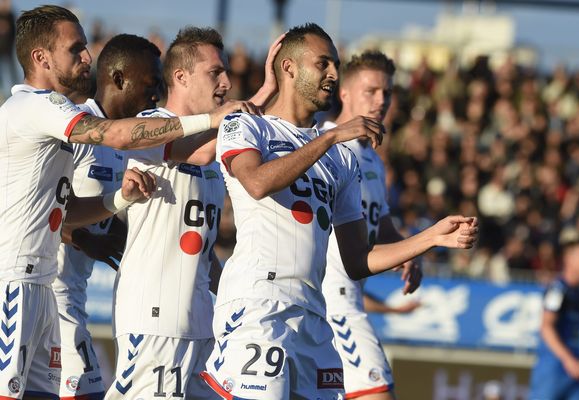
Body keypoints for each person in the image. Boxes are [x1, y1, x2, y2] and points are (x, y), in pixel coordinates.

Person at [200, 23, 477, 399]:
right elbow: (257, 183)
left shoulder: (343, 159)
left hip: (315, 316)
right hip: (259, 306)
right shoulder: (247, 125)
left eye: (336, 64)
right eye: (323, 63)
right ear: (289, 69)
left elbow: (358, 259)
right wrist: (329, 136)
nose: (332, 73)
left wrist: (431, 238)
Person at [0, 5, 250, 399]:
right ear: (40, 58)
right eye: (76, 49)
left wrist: (119, 199)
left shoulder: (59, 115)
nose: (87, 57)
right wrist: (210, 119)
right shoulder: (38, 106)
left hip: (47, 286)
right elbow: (117, 136)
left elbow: (65, 210)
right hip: (17, 280)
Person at [105, 27, 282, 400]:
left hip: (201, 322)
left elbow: (204, 249)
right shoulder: (150, 126)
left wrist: (236, 295)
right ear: (181, 77)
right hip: (155, 320)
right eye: (214, 72)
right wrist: (265, 92)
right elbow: (196, 149)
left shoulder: (214, 146)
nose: (225, 81)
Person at [52, 33, 163, 400]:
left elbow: (106, 214)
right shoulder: (78, 130)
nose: (155, 95)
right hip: (49, 293)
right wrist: (87, 241)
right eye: (150, 84)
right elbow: (39, 208)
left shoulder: (123, 145)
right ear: (118, 79)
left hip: (74, 293)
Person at [321, 51, 421, 400]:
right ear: (344, 93)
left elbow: (380, 220)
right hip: (331, 302)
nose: (382, 101)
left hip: (351, 299)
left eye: (387, 93)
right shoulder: (323, 145)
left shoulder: (373, 158)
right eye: (372, 91)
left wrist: (406, 249)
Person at [529, 228, 579, 400]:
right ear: (569, 259)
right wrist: (567, 359)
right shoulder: (557, 290)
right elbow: (546, 327)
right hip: (554, 368)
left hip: (573, 368)